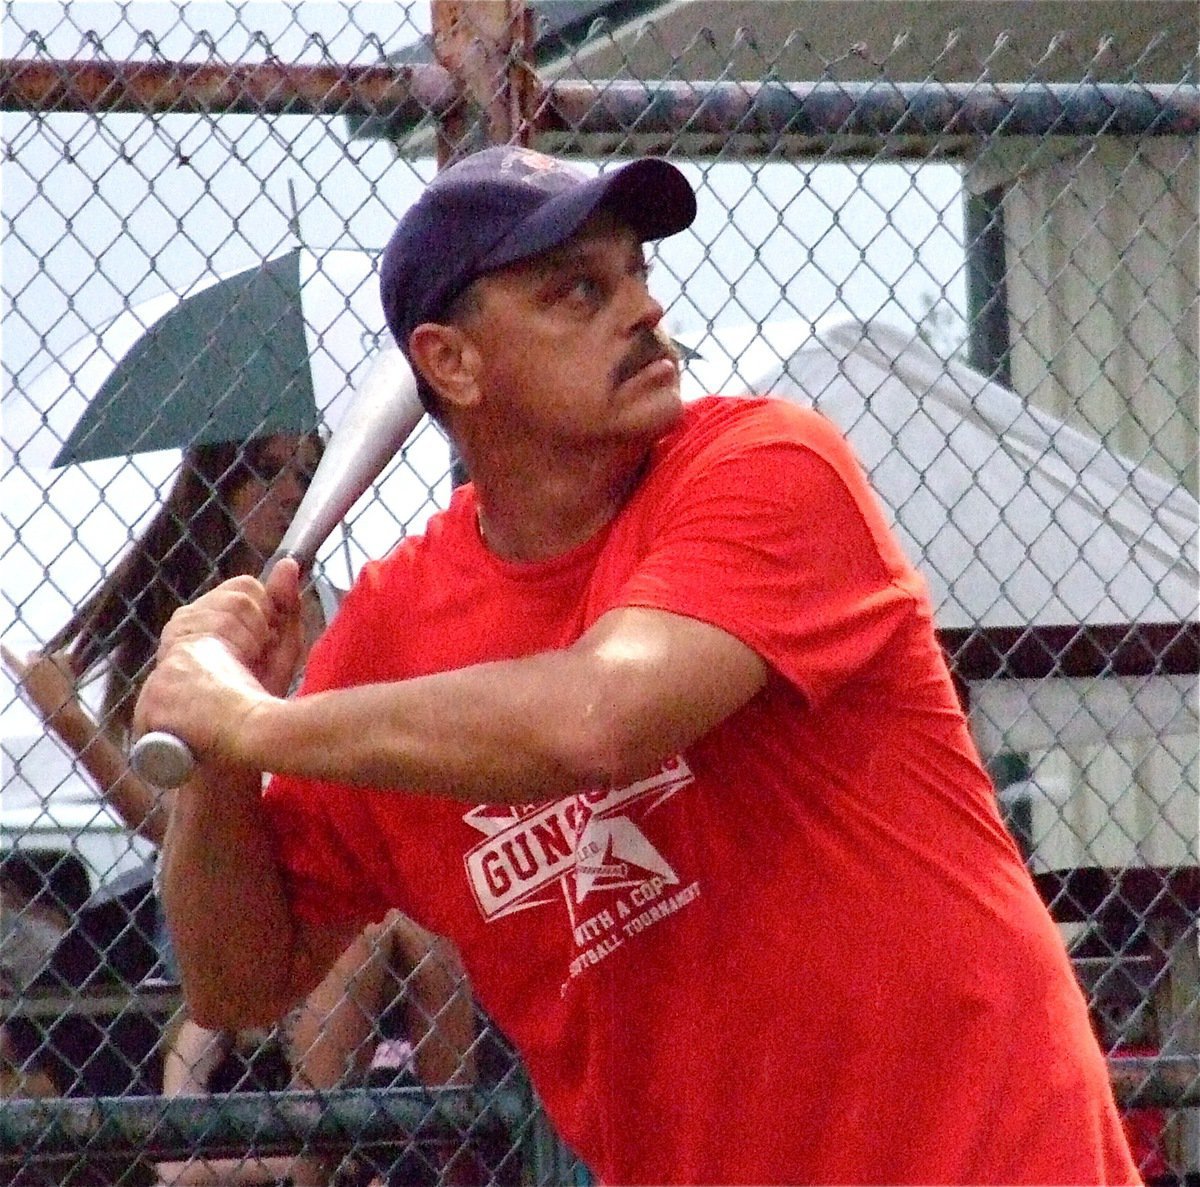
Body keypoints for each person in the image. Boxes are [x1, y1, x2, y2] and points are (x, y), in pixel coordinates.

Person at [133, 146, 1140, 1185]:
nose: (642, 312)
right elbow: (237, 976)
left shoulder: (765, 465)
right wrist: (212, 751)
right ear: (452, 364)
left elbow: (600, 714)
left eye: (638, 274)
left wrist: (257, 723)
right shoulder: (396, 632)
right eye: (577, 290)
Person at [4, 433, 475, 1186]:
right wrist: (73, 725)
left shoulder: (340, 607)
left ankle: (467, 1155)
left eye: (308, 471)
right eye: (266, 470)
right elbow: (163, 820)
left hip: (336, 856)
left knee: (427, 937)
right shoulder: (183, 614)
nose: (291, 490)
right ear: (217, 484)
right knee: (344, 947)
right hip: (221, 875)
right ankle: (299, 1164)